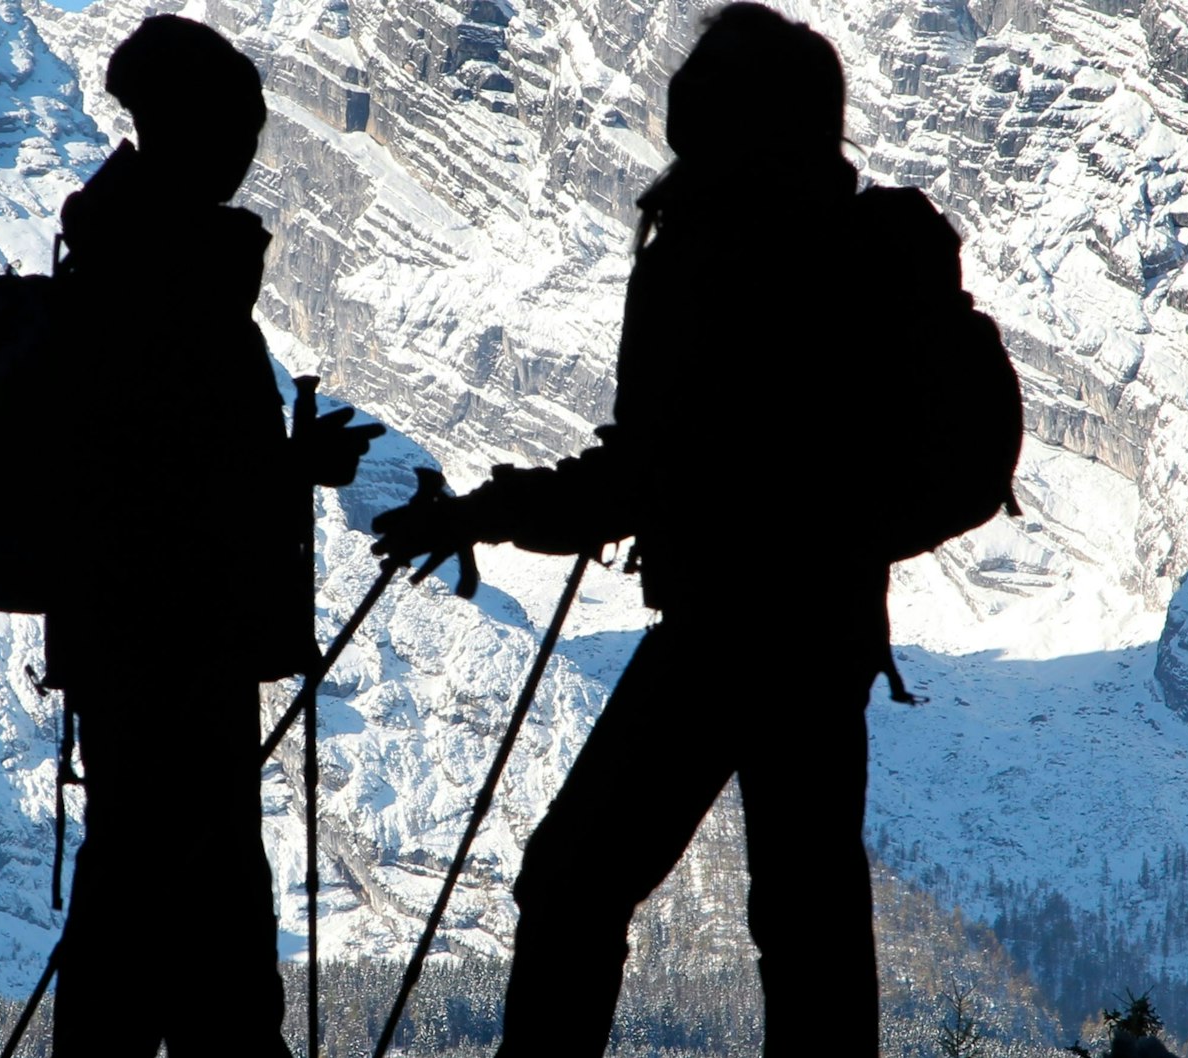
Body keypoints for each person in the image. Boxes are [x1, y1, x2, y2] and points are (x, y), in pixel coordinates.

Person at [371, 5, 1020, 1055]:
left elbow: (641, 471)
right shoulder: (846, 246)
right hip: (826, 630)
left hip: (723, 630)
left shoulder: (712, 250)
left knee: (574, 880)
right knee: (807, 923)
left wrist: (485, 514)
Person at [36, 16, 380, 1058]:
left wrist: (282, 469)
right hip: (176, 656)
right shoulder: (168, 281)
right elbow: (171, 484)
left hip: (137, 654)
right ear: (192, 130)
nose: (247, 155)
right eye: (238, 131)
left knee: (132, 901)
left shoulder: (124, 262)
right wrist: (291, 469)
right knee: (202, 913)